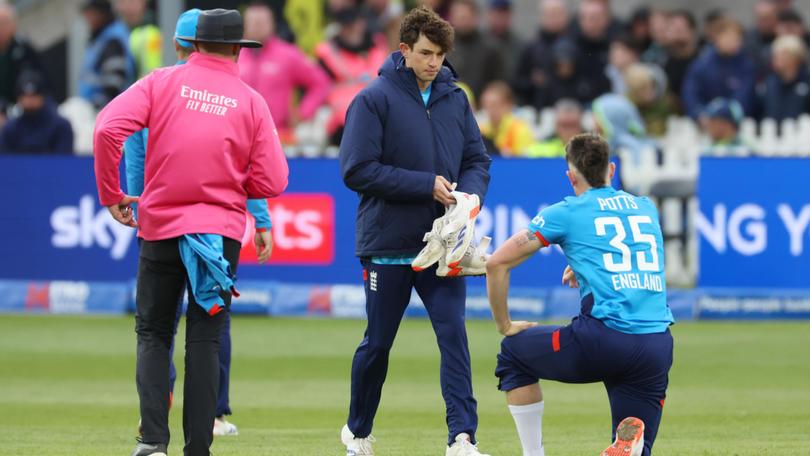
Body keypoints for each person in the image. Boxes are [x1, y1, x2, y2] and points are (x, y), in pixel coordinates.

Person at [93, 9, 289, 456]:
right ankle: (198, 449)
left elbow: (107, 128)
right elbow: (274, 181)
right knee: (205, 337)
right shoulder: (250, 100)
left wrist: (112, 193)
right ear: (238, 49)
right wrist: (242, 187)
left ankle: (151, 443)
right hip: (217, 238)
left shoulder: (160, 82)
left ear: (193, 45)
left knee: (154, 333)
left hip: (160, 228)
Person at [338, 6, 491, 456]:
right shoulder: (373, 99)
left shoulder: (455, 99)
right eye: (425, 53)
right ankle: (359, 431)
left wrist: (472, 198)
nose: (434, 63)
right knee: (379, 343)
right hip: (388, 244)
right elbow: (356, 170)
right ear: (403, 49)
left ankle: (461, 437)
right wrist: (425, 185)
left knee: (454, 337)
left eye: (441, 55)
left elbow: (477, 161)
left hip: (446, 245)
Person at [485, 133, 674, 456]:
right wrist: (584, 265)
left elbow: (497, 263)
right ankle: (628, 444)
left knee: (514, 354)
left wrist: (505, 323)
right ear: (611, 170)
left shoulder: (568, 212)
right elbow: (625, 253)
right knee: (634, 445)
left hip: (605, 339)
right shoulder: (646, 209)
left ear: (570, 176)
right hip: (656, 344)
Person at [239, 2, 331, 141]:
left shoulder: (288, 54)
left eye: (262, 22)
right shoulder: (235, 55)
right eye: (253, 22)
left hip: (278, 136)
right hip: (240, 135)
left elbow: (321, 82)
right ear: (244, 25)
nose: (257, 26)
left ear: (273, 24)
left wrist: (303, 113)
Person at [316, 5, 388, 145]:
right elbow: (319, 87)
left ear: (362, 24)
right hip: (340, 123)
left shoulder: (378, 48)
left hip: (375, 118)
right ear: (340, 28)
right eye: (347, 25)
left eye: (355, 24)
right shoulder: (327, 53)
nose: (352, 29)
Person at [682, 17, 756, 119]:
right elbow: (691, 94)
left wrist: (726, 115)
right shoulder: (702, 64)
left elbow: (744, 97)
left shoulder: (745, 66)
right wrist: (699, 114)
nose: (736, 43)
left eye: (738, 39)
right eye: (730, 38)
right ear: (717, 37)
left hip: (734, 123)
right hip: (705, 123)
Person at [513, 0, 570, 110]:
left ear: (565, 16)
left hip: (567, 108)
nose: (553, 18)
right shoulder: (531, 48)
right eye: (549, 14)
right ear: (541, 17)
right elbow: (517, 82)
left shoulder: (575, 46)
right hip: (536, 109)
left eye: (557, 13)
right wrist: (532, 81)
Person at [79, 0, 136, 110]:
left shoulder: (112, 40)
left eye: (91, 13)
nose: (88, 17)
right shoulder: (101, 37)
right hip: (99, 106)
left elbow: (114, 78)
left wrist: (101, 105)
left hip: (108, 108)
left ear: (102, 13)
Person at [0, 71, 73, 154]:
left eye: (34, 95)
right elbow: (5, 162)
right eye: (25, 96)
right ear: (18, 98)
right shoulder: (10, 129)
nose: (30, 100)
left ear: (43, 96)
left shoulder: (60, 126)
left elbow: (64, 161)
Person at [447, 0, 503, 98]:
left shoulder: (490, 47)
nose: (461, 21)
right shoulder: (444, 47)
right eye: (458, 17)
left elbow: (497, 84)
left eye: (465, 17)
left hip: (481, 108)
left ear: (475, 17)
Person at [0, 4, 47, 114]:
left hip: (24, 107)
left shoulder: (24, 49)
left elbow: (40, 79)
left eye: (3, 24)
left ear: (13, 25)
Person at [755, 35, 810, 122]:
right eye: (775, 54)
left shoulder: (806, 82)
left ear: (795, 57)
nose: (776, 58)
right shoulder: (769, 83)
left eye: (782, 54)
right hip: (771, 132)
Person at [479, 81, 534, 157]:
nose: (490, 110)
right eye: (486, 105)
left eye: (494, 105)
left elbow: (525, 161)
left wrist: (511, 155)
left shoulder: (520, 130)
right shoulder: (481, 130)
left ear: (509, 105)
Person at [115, 0, 162, 78]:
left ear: (144, 3)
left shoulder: (152, 32)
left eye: (132, 2)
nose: (126, 7)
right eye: (122, 2)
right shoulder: (114, 31)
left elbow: (151, 71)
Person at [485, 0, 521, 83]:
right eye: (497, 13)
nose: (500, 18)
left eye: (503, 14)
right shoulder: (479, 43)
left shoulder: (520, 45)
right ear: (489, 14)